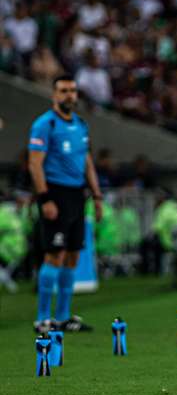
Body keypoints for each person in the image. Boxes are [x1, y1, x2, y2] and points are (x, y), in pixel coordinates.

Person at [28, 74, 103, 333]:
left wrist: (97, 195)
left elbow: (87, 161)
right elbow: (35, 163)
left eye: (72, 91)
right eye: (63, 91)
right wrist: (45, 198)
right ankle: (42, 319)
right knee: (54, 255)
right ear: (54, 95)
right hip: (55, 194)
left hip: (77, 195)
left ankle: (63, 317)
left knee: (72, 255)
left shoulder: (81, 125)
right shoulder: (44, 125)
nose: (69, 95)